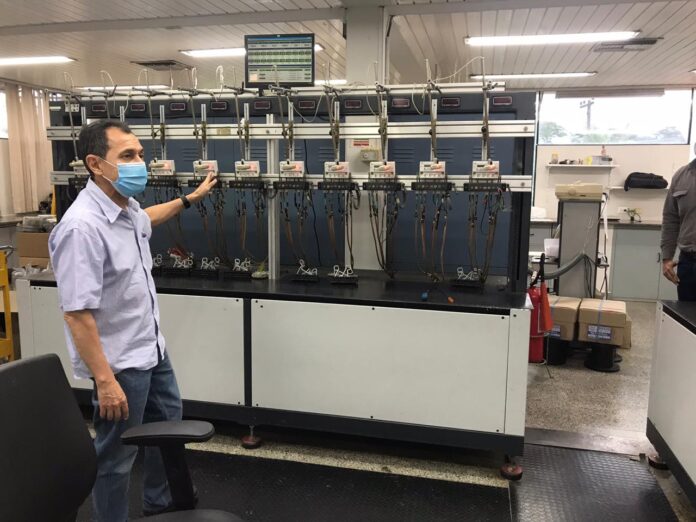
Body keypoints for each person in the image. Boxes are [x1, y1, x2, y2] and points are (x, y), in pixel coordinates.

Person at [49, 119, 217, 521]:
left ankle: (159, 506)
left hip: (151, 350)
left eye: (140, 154)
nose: (140, 163)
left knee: (166, 431)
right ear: (95, 163)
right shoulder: (82, 227)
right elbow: (77, 314)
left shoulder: (126, 209)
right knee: (117, 454)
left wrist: (190, 199)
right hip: (120, 364)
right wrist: (105, 381)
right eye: (127, 155)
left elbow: (148, 219)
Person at [661, 151, 696, 301]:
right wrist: (667, 257)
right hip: (688, 262)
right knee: (686, 313)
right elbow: (671, 219)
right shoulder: (681, 176)